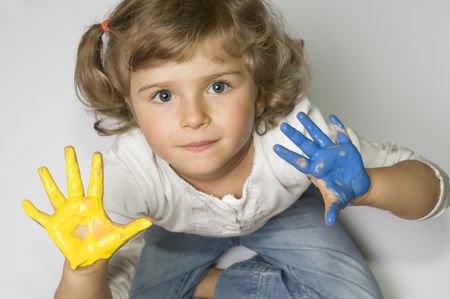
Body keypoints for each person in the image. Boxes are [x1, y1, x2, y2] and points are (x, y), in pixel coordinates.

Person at [22, 0, 449, 298]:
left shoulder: (298, 138)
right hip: (177, 235)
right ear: (130, 106)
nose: (194, 117)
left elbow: (435, 188)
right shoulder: (128, 176)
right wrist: (85, 269)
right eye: (164, 96)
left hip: (284, 210)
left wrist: (372, 185)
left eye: (218, 86)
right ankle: (201, 278)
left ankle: (207, 284)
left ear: (261, 94)